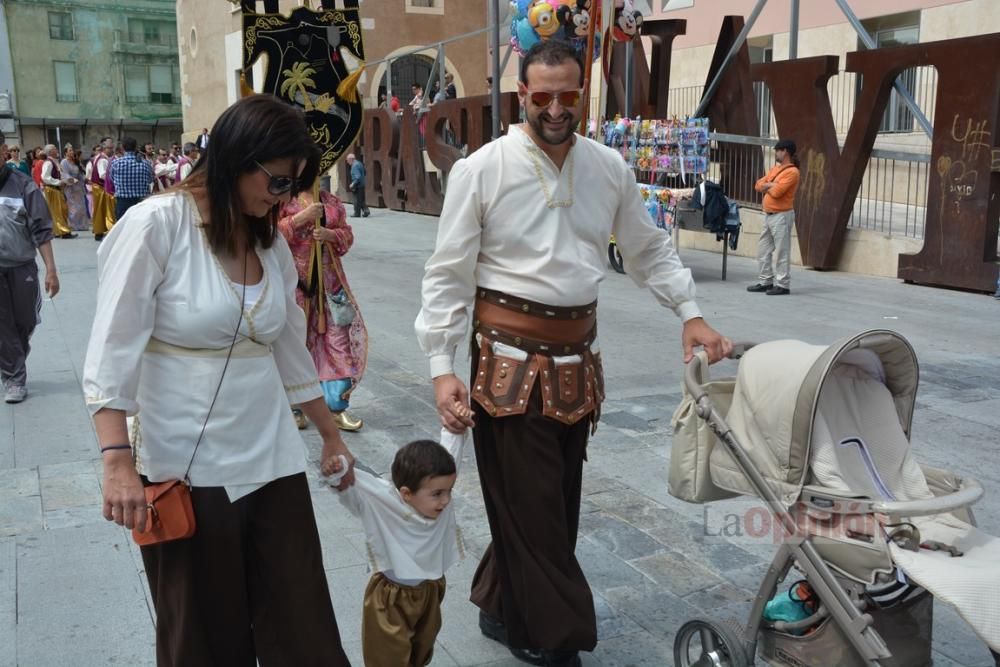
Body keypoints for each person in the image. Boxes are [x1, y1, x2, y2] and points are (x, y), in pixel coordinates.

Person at [414, 40, 730, 666]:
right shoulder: (482, 169)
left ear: (581, 96)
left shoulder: (608, 166)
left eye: (568, 96)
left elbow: (647, 248)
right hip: (505, 364)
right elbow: (448, 274)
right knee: (532, 505)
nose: (556, 109)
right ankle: (556, 635)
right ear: (521, 95)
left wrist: (690, 313)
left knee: (551, 502)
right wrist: (441, 367)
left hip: (576, 367)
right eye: (543, 96)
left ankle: (501, 602)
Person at [82, 94, 356, 666]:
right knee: (204, 630)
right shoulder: (157, 225)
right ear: (236, 158)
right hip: (187, 463)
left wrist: (329, 435)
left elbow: (288, 345)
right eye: (277, 183)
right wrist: (116, 464)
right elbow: (112, 348)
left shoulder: (268, 240)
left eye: (292, 186)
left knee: (298, 616)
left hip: (271, 456)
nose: (281, 199)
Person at [330, 431, 467, 666]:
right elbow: (354, 491)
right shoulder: (384, 505)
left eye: (449, 491)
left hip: (430, 590)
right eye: (437, 494)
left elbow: (453, 446)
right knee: (387, 657)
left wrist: (456, 423)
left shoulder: (438, 503)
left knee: (421, 650)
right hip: (390, 597)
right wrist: (337, 473)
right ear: (406, 493)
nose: (445, 500)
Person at [278, 188, 367, 432]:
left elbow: (347, 235)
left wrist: (330, 234)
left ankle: (336, 407)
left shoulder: (330, 200)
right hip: (298, 284)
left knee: (338, 343)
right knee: (297, 343)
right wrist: (301, 218)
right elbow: (270, 234)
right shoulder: (284, 198)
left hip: (331, 284)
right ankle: (295, 406)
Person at [0, 162, 60, 404]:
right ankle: (14, 378)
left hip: (21, 265)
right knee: (3, 326)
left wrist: (51, 271)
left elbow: (42, 229)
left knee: (24, 320)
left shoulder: (23, 185)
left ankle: (14, 353)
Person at [747, 138, 800, 296]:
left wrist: (769, 185)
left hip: (782, 216)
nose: (775, 153)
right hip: (769, 215)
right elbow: (757, 185)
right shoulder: (775, 169)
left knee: (782, 251)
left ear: (785, 152)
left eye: (778, 150)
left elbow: (777, 193)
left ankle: (783, 285)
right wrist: (771, 184)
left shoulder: (792, 172)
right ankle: (765, 281)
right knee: (763, 250)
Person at [109, 136, 153, 220]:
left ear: (122, 147)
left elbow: (112, 178)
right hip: (141, 201)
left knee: (123, 228)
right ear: (136, 147)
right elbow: (150, 180)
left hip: (123, 201)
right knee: (140, 227)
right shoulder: (146, 163)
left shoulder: (116, 163)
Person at [39, 144, 76, 239]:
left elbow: (60, 175)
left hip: (56, 189)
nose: (57, 150)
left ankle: (58, 230)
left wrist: (67, 181)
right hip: (52, 189)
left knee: (61, 209)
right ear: (51, 151)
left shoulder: (54, 162)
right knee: (58, 210)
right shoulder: (48, 163)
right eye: (55, 149)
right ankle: (63, 232)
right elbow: (45, 177)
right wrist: (59, 182)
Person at [60, 146, 91, 232]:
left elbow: (81, 173)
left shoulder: (75, 161)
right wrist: (73, 180)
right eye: (70, 150)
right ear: (65, 153)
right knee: (73, 207)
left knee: (81, 207)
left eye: (72, 150)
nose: (72, 152)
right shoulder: (64, 162)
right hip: (70, 187)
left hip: (79, 187)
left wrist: (86, 179)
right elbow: (64, 174)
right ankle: (73, 225)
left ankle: (82, 225)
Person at [90, 141, 116, 240]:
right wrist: (113, 181)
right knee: (102, 210)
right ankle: (99, 232)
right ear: (104, 149)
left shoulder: (100, 157)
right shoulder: (103, 160)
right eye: (110, 148)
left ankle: (100, 231)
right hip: (100, 187)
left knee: (101, 210)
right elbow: (102, 174)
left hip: (99, 187)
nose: (112, 150)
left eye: (112, 148)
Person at [345, 153, 370, 218]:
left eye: (347, 160)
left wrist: (353, 184)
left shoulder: (354, 166)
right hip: (362, 184)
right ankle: (366, 210)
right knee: (361, 199)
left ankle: (357, 213)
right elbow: (364, 172)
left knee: (356, 200)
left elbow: (358, 177)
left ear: (351, 159)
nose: (347, 162)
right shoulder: (359, 163)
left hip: (357, 185)